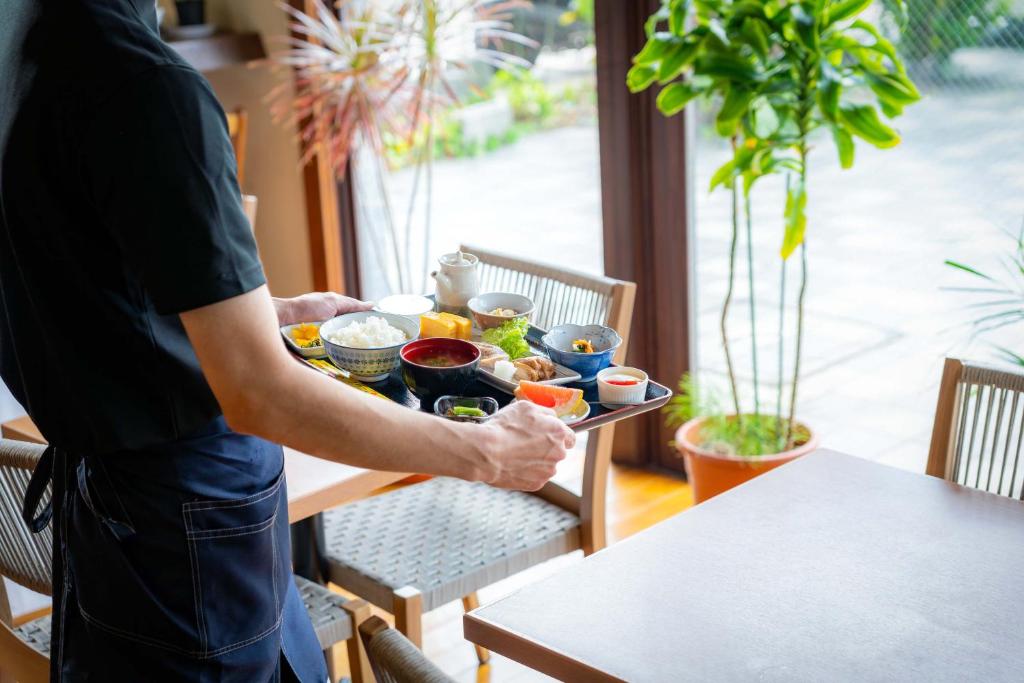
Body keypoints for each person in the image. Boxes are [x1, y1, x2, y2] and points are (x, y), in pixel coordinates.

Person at [0, 1, 573, 680]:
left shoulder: (26, 31)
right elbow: (258, 392)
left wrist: (270, 311)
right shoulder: (147, 87)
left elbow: (97, 278)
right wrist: (483, 451)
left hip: (119, 513)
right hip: (184, 513)